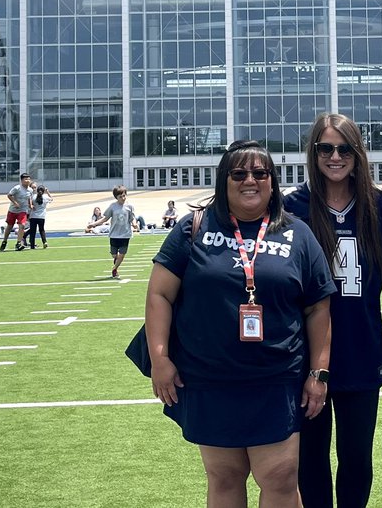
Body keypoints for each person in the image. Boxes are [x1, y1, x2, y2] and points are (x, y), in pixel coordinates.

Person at [145, 140, 334, 508]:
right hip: (210, 377)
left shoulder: (297, 233)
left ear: (272, 181)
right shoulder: (193, 228)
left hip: (276, 378)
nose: (251, 180)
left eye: (260, 173)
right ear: (224, 180)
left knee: (280, 477)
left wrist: (319, 372)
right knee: (225, 477)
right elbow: (159, 296)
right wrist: (160, 359)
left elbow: (318, 309)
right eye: (239, 173)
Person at [284, 113, 382, 508]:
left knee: (357, 459)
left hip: (361, 350)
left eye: (344, 148)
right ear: (313, 153)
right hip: (304, 357)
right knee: (310, 461)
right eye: (325, 148)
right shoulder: (291, 207)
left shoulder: (379, 206)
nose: (335, 156)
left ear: (358, 153)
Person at [102, 185, 137, 279]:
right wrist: (93, 224)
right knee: (114, 255)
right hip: (114, 234)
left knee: (122, 255)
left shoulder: (129, 206)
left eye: (124, 196)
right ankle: (116, 262)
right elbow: (105, 218)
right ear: (116, 197)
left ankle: (114, 269)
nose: (123, 198)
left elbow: (132, 218)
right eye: (120, 196)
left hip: (125, 234)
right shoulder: (112, 206)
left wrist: (134, 224)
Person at [1, 172, 34, 252]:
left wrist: (30, 205)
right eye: (26, 179)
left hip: (22, 210)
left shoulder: (30, 190)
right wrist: (15, 203)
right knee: (9, 226)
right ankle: (4, 241)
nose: (28, 180)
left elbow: (29, 197)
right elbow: (9, 195)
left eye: (29, 179)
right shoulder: (17, 188)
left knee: (22, 226)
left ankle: (18, 243)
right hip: (13, 210)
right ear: (22, 180)